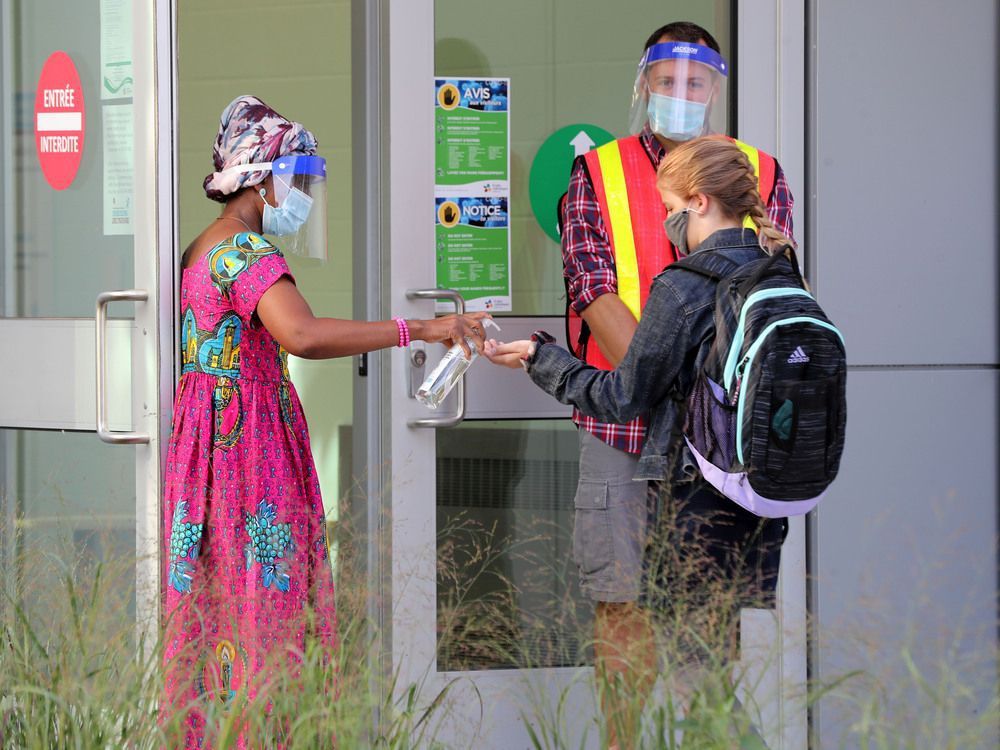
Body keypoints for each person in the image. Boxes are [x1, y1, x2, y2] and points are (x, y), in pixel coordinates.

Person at [161, 95, 489, 746]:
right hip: (247, 453)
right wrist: (418, 327)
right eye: (299, 179)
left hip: (205, 448)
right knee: (265, 614)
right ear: (261, 176)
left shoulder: (203, 245)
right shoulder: (244, 252)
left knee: (218, 608)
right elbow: (302, 334)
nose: (305, 195)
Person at [493, 136, 791, 746]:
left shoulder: (683, 286)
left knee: (689, 674)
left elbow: (624, 395)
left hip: (685, 494)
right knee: (709, 671)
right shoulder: (779, 273)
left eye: (671, 209)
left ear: (699, 203)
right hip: (749, 496)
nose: (668, 225)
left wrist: (542, 359)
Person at [555, 21, 795, 749]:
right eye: (667, 81)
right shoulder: (596, 171)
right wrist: (659, 384)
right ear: (644, 84)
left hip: (717, 436)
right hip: (623, 426)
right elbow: (592, 288)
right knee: (621, 602)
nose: (681, 95)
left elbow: (772, 282)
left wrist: (698, 400)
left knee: (707, 613)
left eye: (696, 84)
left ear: (716, 90)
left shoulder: (757, 171)